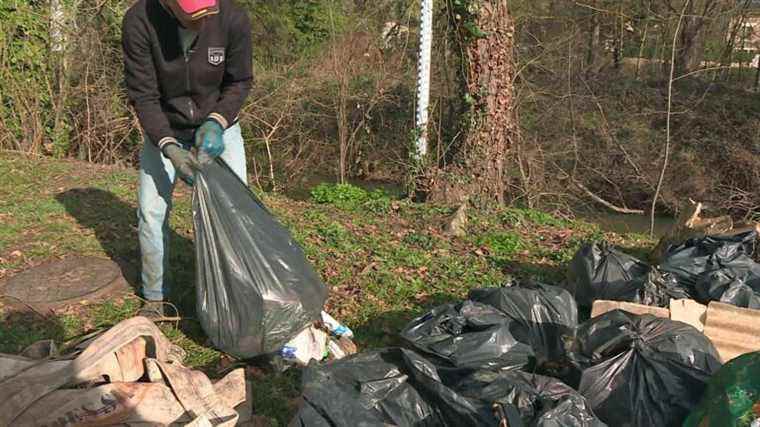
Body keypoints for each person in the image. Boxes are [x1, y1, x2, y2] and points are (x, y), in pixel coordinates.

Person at [122, 0, 253, 317]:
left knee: (236, 212)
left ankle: (237, 295)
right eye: (193, 15)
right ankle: (155, 299)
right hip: (165, 128)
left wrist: (217, 122)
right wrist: (168, 146)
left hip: (219, 129)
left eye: (207, 11)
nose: (202, 21)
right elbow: (144, 95)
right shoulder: (139, 21)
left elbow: (239, 81)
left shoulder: (232, 18)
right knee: (151, 214)